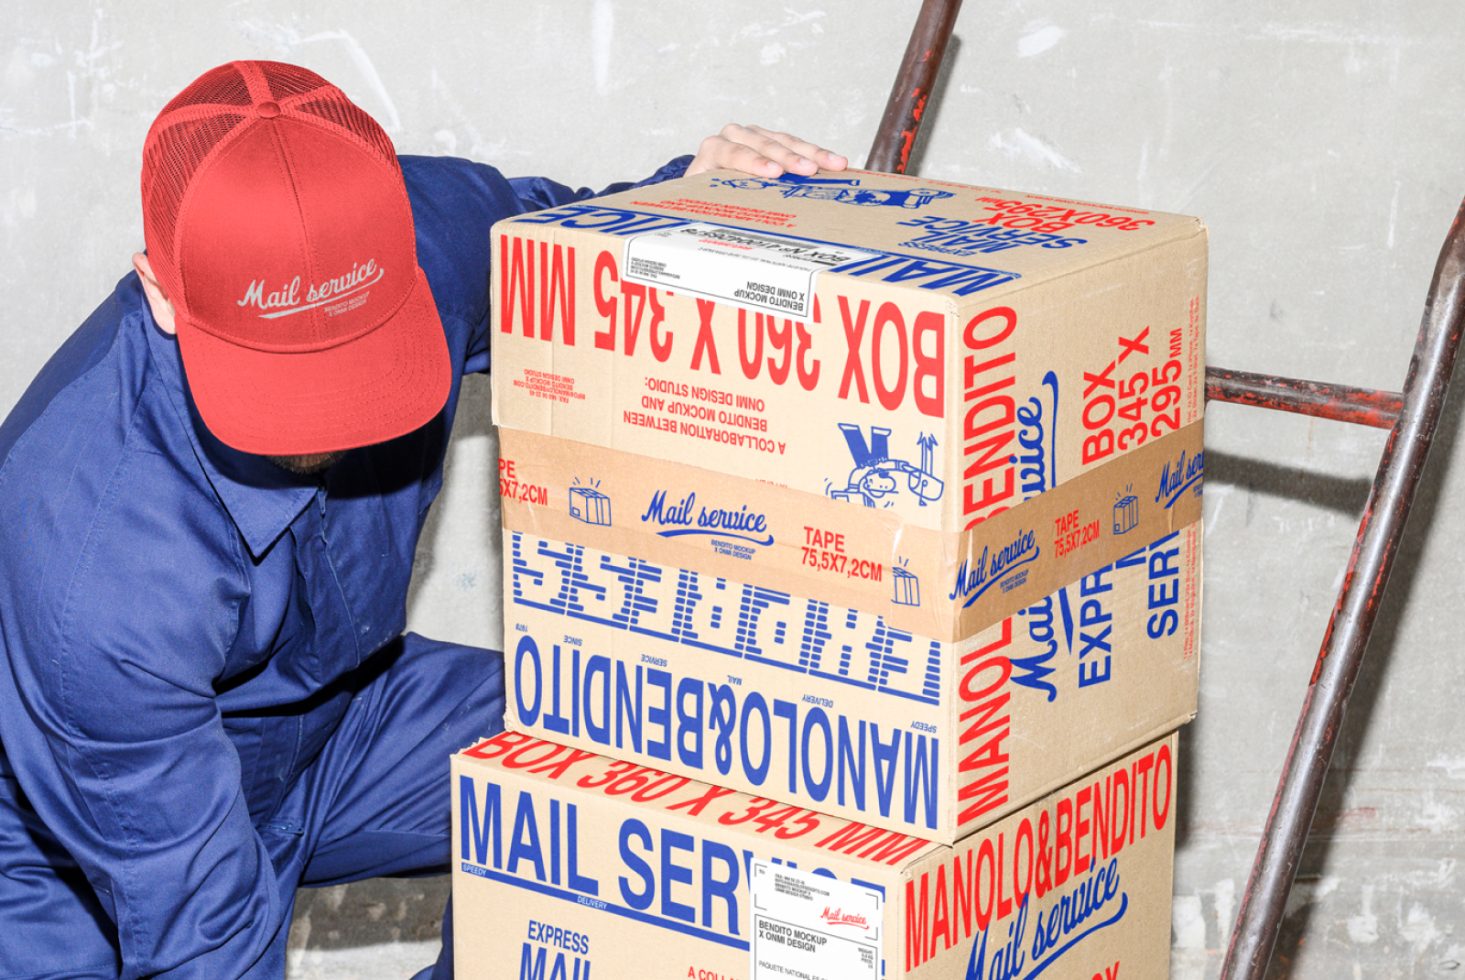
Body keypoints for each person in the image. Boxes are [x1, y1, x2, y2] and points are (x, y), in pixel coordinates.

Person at [0, 59, 848, 979]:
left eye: (359, 354)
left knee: (662, 753)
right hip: (78, 844)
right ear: (161, 294)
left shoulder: (432, 233)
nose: (328, 421)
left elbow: (582, 268)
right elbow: (203, 934)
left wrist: (691, 197)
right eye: (287, 378)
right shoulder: (88, 566)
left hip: (337, 725)